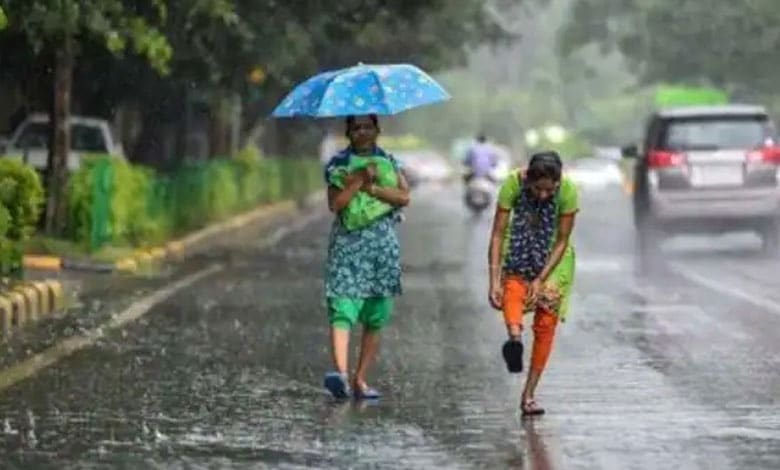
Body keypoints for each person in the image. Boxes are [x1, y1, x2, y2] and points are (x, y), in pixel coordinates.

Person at [322, 114, 411, 400]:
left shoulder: (389, 162)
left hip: (381, 247)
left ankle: (360, 379)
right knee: (342, 306)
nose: (362, 132)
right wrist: (357, 180)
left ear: (377, 130)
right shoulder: (338, 165)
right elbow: (336, 205)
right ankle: (342, 376)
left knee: (376, 314)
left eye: (367, 127)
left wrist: (372, 187)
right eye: (356, 128)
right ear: (348, 132)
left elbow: (403, 197)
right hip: (348, 245)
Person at [487, 151, 579, 416]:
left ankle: (529, 395)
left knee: (546, 323)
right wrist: (494, 280)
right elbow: (497, 234)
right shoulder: (512, 184)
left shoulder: (569, 191)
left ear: (559, 183)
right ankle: (514, 338)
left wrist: (540, 279)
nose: (542, 196)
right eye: (537, 189)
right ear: (527, 178)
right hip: (518, 247)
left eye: (549, 190)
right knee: (511, 291)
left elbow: (562, 240)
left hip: (554, 258)